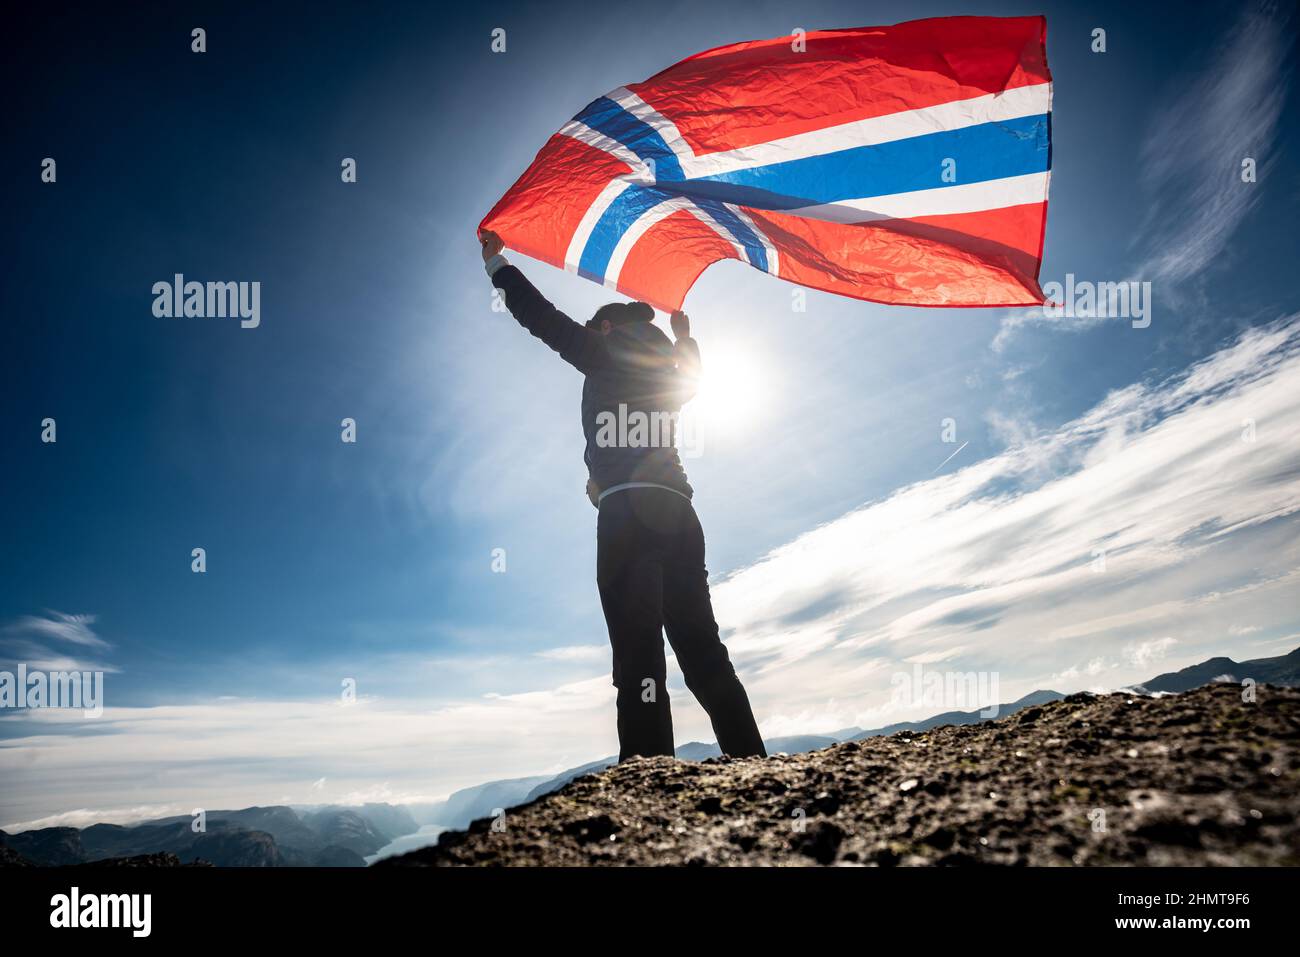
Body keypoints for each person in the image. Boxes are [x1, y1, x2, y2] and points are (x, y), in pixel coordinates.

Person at [478, 228, 766, 761]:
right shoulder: (668, 376)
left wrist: (498, 265)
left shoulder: (602, 353)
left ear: (606, 326)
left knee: (638, 656)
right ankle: (751, 760)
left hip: (627, 517)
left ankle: (650, 777)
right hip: (679, 513)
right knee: (702, 647)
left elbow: (539, 316)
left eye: (594, 326)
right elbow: (697, 379)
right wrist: (683, 339)